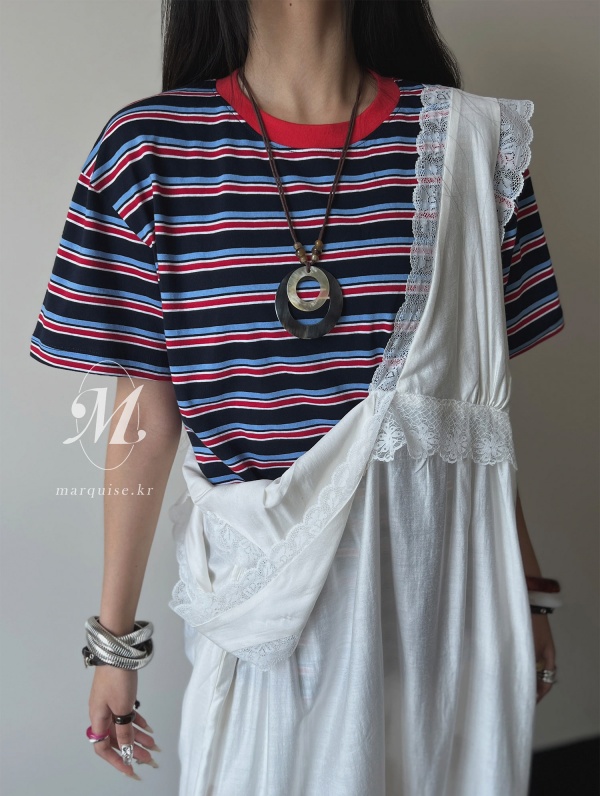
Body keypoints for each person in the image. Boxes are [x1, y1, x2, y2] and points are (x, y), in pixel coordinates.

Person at [29, 1, 565, 794]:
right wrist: (115, 643)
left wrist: (526, 589)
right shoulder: (147, 153)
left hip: (439, 623)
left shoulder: (471, 145)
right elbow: (143, 414)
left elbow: (467, 417)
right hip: (264, 644)